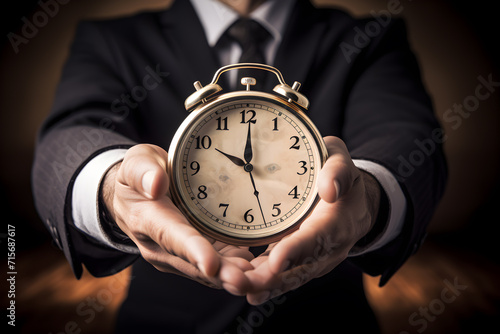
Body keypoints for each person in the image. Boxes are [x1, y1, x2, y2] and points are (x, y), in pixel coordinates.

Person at [32, 0, 447, 333]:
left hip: (325, 321)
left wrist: (369, 199)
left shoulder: (368, 38)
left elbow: (408, 138)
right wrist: (111, 187)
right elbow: (72, 135)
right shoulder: (111, 39)